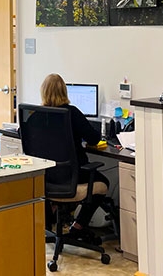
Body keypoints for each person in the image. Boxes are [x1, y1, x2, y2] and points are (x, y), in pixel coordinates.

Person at [40, 73, 109, 243]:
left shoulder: (37, 115)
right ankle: (78, 226)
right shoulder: (72, 113)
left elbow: (24, 134)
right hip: (72, 176)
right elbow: (94, 138)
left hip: (46, 178)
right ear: (64, 91)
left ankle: (50, 219)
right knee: (104, 183)